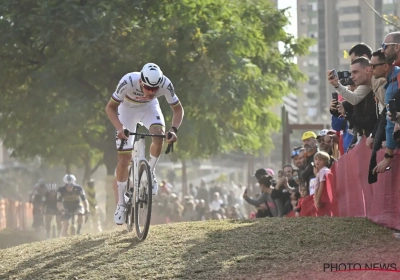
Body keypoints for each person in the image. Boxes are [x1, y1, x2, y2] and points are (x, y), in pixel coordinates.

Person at [105, 63, 184, 225]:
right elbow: (110, 108)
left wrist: (174, 129)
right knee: (124, 160)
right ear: (141, 81)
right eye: (148, 88)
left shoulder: (165, 84)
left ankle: (150, 172)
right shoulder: (128, 81)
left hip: (149, 109)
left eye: (155, 89)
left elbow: (178, 110)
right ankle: (121, 204)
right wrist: (120, 128)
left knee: (158, 137)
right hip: (125, 111)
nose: (152, 92)